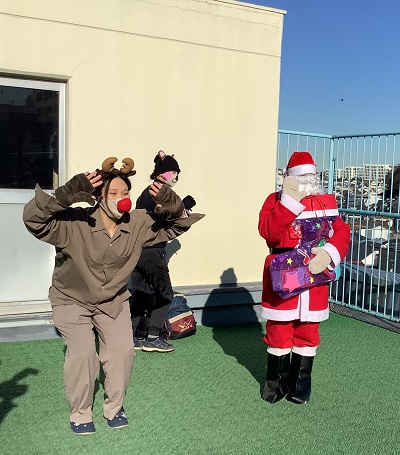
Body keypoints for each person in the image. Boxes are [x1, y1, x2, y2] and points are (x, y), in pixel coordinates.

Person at [23, 156, 204, 435]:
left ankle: (114, 406)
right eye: (114, 193)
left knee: (122, 352)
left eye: (126, 193)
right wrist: (63, 196)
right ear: (97, 197)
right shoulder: (74, 221)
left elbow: (176, 226)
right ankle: (81, 411)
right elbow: (35, 220)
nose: (123, 199)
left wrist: (174, 205)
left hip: (113, 300)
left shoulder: (138, 222)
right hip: (72, 300)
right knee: (83, 354)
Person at [258, 151, 350, 405]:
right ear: (288, 178)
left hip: (314, 277)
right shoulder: (274, 201)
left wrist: (329, 253)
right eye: (301, 177)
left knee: (308, 331)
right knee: (278, 330)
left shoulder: (325, 203)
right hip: (282, 275)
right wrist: (289, 202)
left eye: (310, 176)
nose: (307, 181)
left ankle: (301, 384)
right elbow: (269, 233)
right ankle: (275, 383)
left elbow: (341, 231)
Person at [130, 150, 197, 353]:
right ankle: (152, 337)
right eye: (173, 173)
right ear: (163, 173)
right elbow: (162, 216)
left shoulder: (145, 192)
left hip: (137, 250)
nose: (175, 177)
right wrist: (183, 207)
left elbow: (151, 217)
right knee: (164, 294)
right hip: (153, 250)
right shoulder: (159, 191)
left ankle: (136, 335)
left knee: (141, 294)